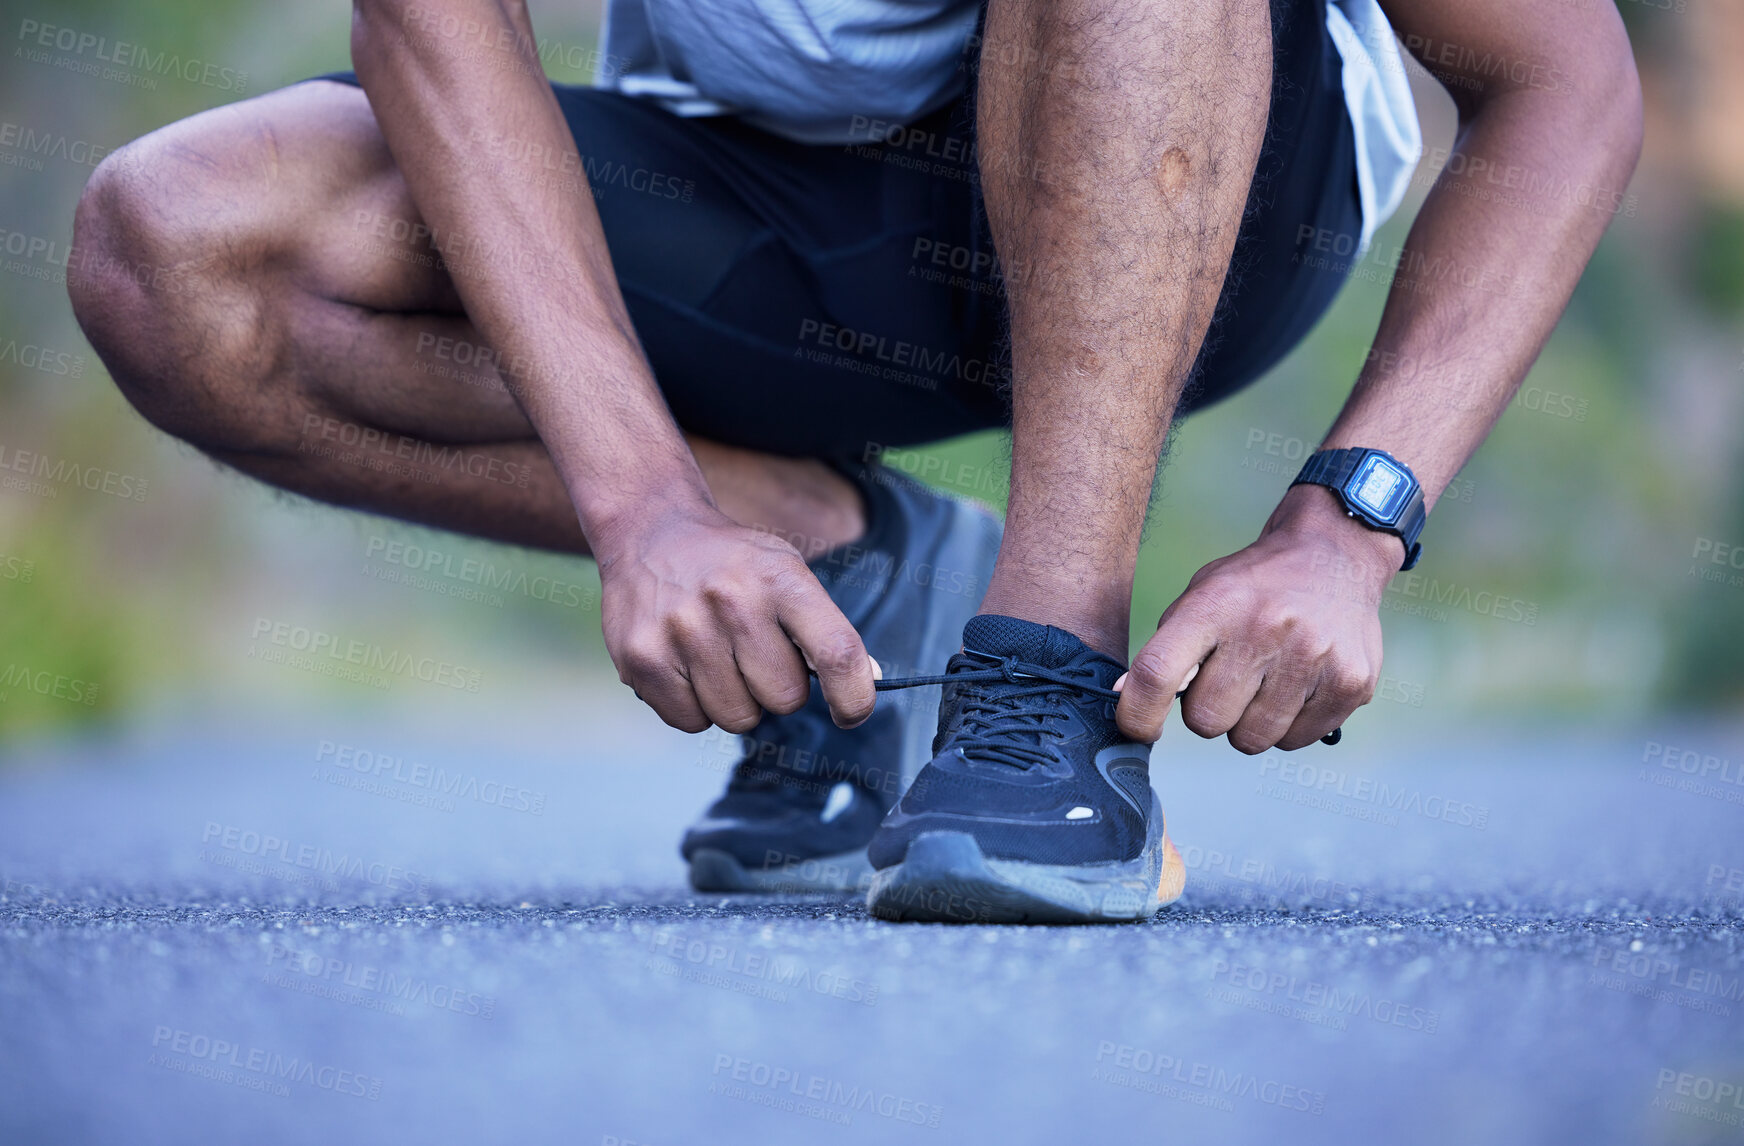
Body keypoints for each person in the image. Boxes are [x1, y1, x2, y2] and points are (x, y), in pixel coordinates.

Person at [65, 0, 1642, 922]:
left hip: (1210, 174)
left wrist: (1349, 524)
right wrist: (645, 503)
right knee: (177, 251)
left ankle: (1046, 687)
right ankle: (850, 560)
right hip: (778, 212)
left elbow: (1571, 83)